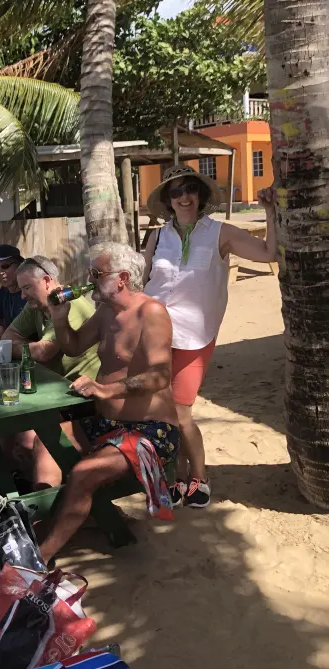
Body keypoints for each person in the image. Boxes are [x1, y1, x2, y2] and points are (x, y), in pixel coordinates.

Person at [143, 164, 278, 509]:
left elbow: (267, 254)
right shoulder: (157, 237)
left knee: (182, 413)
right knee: (160, 411)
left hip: (194, 335)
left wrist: (270, 212)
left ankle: (199, 478)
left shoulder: (220, 233)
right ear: (168, 200)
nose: (184, 197)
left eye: (190, 189)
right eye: (175, 192)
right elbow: (143, 282)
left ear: (200, 195)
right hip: (154, 335)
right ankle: (175, 477)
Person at [40, 243, 179, 564]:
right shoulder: (105, 312)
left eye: (96, 274)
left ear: (122, 278)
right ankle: (48, 519)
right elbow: (73, 347)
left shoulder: (151, 312)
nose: (88, 280)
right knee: (42, 438)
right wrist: (59, 319)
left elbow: (160, 377)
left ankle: (39, 556)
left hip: (150, 431)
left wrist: (107, 391)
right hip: (106, 423)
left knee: (85, 473)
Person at [0, 256, 100, 495]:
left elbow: (43, 352)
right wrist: (27, 346)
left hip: (82, 399)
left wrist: (20, 347)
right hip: (56, 391)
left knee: (24, 433)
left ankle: (44, 499)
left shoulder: (69, 303)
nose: (22, 296)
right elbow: (10, 336)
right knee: (6, 417)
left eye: (27, 288)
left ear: (47, 281)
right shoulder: (36, 305)